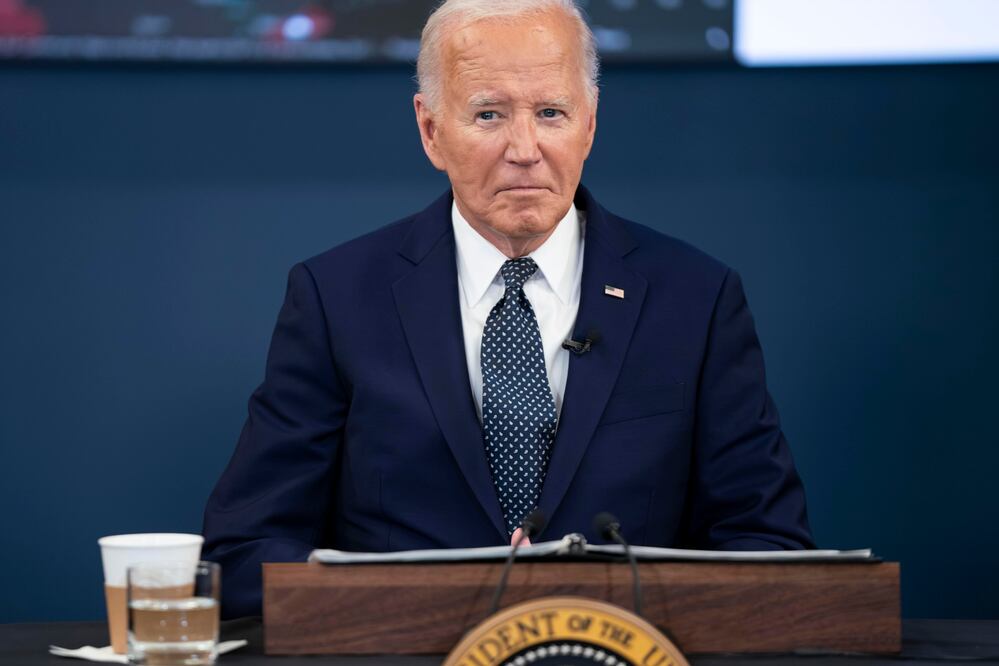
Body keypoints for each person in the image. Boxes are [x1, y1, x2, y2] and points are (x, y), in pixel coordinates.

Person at [202, 0, 813, 619]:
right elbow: (246, 550)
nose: (525, 148)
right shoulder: (336, 297)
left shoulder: (696, 299)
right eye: (489, 114)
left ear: (591, 125)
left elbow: (770, 546)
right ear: (431, 130)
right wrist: (429, 602)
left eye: (551, 113)